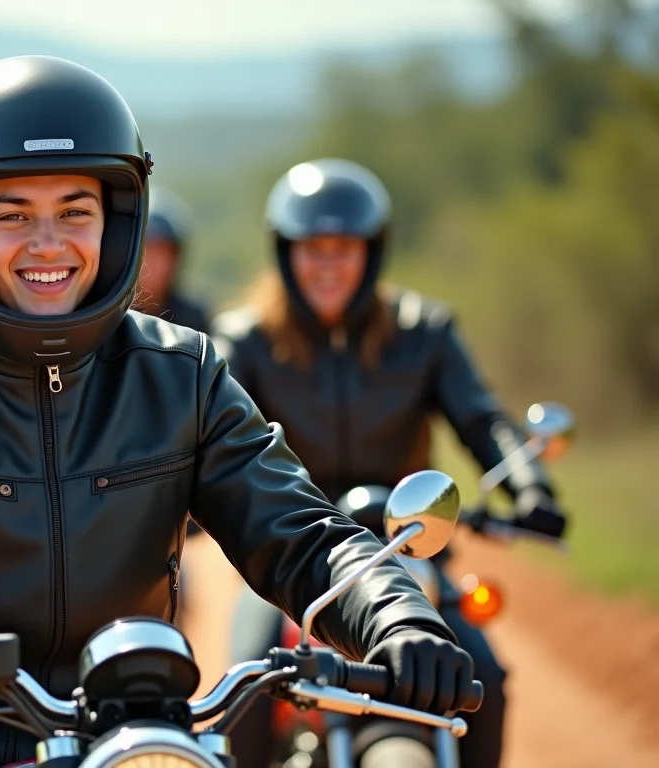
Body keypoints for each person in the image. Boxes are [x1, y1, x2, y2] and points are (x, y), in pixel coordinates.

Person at [0, 58, 476, 768]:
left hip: (129, 740)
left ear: (119, 220)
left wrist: (398, 619)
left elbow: (304, 538)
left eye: (76, 211)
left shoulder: (185, 376)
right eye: (12, 214)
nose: (49, 244)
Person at [210, 158, 568, 768]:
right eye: (312, 248)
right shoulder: (244, 339)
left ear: (373, 253)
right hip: (295, 553)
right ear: (285, 253)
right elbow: (212, 437)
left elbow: (483, 420)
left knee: (483, 678)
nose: (328, 264)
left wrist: (528, 483)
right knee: (247, 685)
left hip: (408, 549)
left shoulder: (422, 331)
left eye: (345, 247)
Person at [133, 186, 210, 333]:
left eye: (161, 252)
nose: (151, 263)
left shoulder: (193, 318)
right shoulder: (108, 313)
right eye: (146, 250)